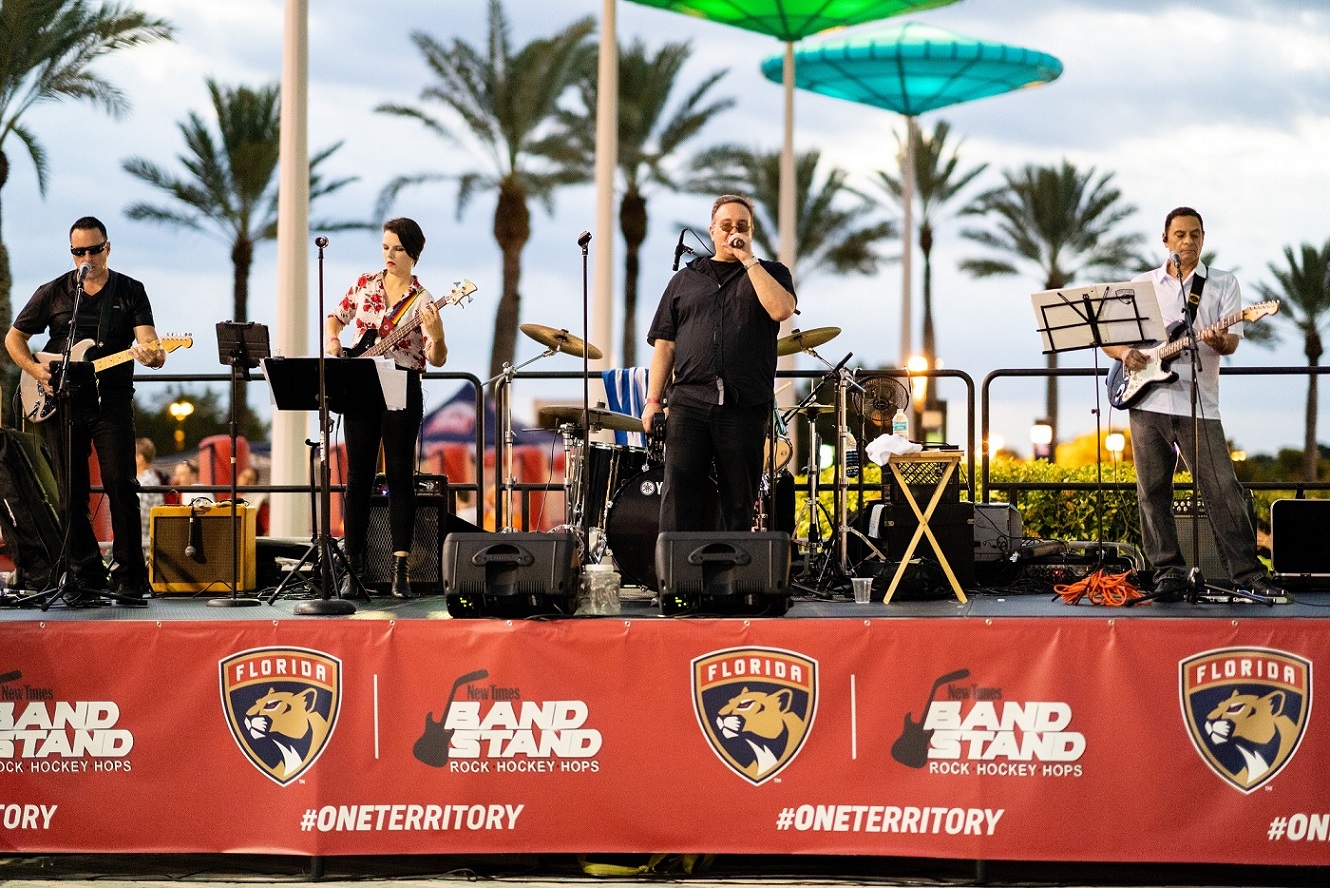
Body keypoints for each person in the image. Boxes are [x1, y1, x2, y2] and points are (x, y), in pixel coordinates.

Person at [1102, 206, 1280, 600]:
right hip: (1147, 401)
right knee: (1152, 491)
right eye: (1180, 234)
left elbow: (1232, 341)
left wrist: (1221, 341)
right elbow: (1109, 338)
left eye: (1195, 234)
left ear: (1204, 238)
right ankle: (1168, 571)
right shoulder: (1141, 285)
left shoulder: (1221, 283)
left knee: (1222, 490)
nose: (1188, 241)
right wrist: (1125, 354)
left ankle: (1247, 573)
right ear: (1165, 239)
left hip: (1199, 404)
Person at [6, 216, 166, 604]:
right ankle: (86, 575)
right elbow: (15, 338)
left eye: (94, 250)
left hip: (110, 403)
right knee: (70, 494)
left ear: (107, 248)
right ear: (71, 252)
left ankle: (130, 578)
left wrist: (152, 354)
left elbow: (153, 347)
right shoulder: (56, 293)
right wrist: (36, 370)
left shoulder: (129, 291)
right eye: (80, 251)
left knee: (121, 485)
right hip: (63, 401)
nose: (88, 258)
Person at [643, 194, 796, 533]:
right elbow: (665, 345)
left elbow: (781, 310)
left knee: (739, 500)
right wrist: (653, 401)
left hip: (744, 404)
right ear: (712, 231)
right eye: (726, 226)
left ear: (751, 231)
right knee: (680, 494)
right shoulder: (684, 280)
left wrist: (749, 261)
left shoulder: (770, 273)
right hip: (689, 403)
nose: (733, 232)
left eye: (741, 226)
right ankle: (677, 582)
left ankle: (732, 581)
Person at [325, 218, 447, 598]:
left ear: (414, 253)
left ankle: (400, 569)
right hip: (361, 382)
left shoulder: (423, 300)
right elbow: (337, 316)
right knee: (357, 475)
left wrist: (438, 334)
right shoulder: (365, 284)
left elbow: (437, 358)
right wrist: (333, 340)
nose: (389, 255)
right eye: (385, 247)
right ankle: (353, 567)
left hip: (402, 384)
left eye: (397, 248)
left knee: (399, 474)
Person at [135, 437, 165, 556]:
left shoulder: (144, 483)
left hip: (142, 547)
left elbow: (138, 517)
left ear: (140, 458)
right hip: (146, 545)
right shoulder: (151, 479)